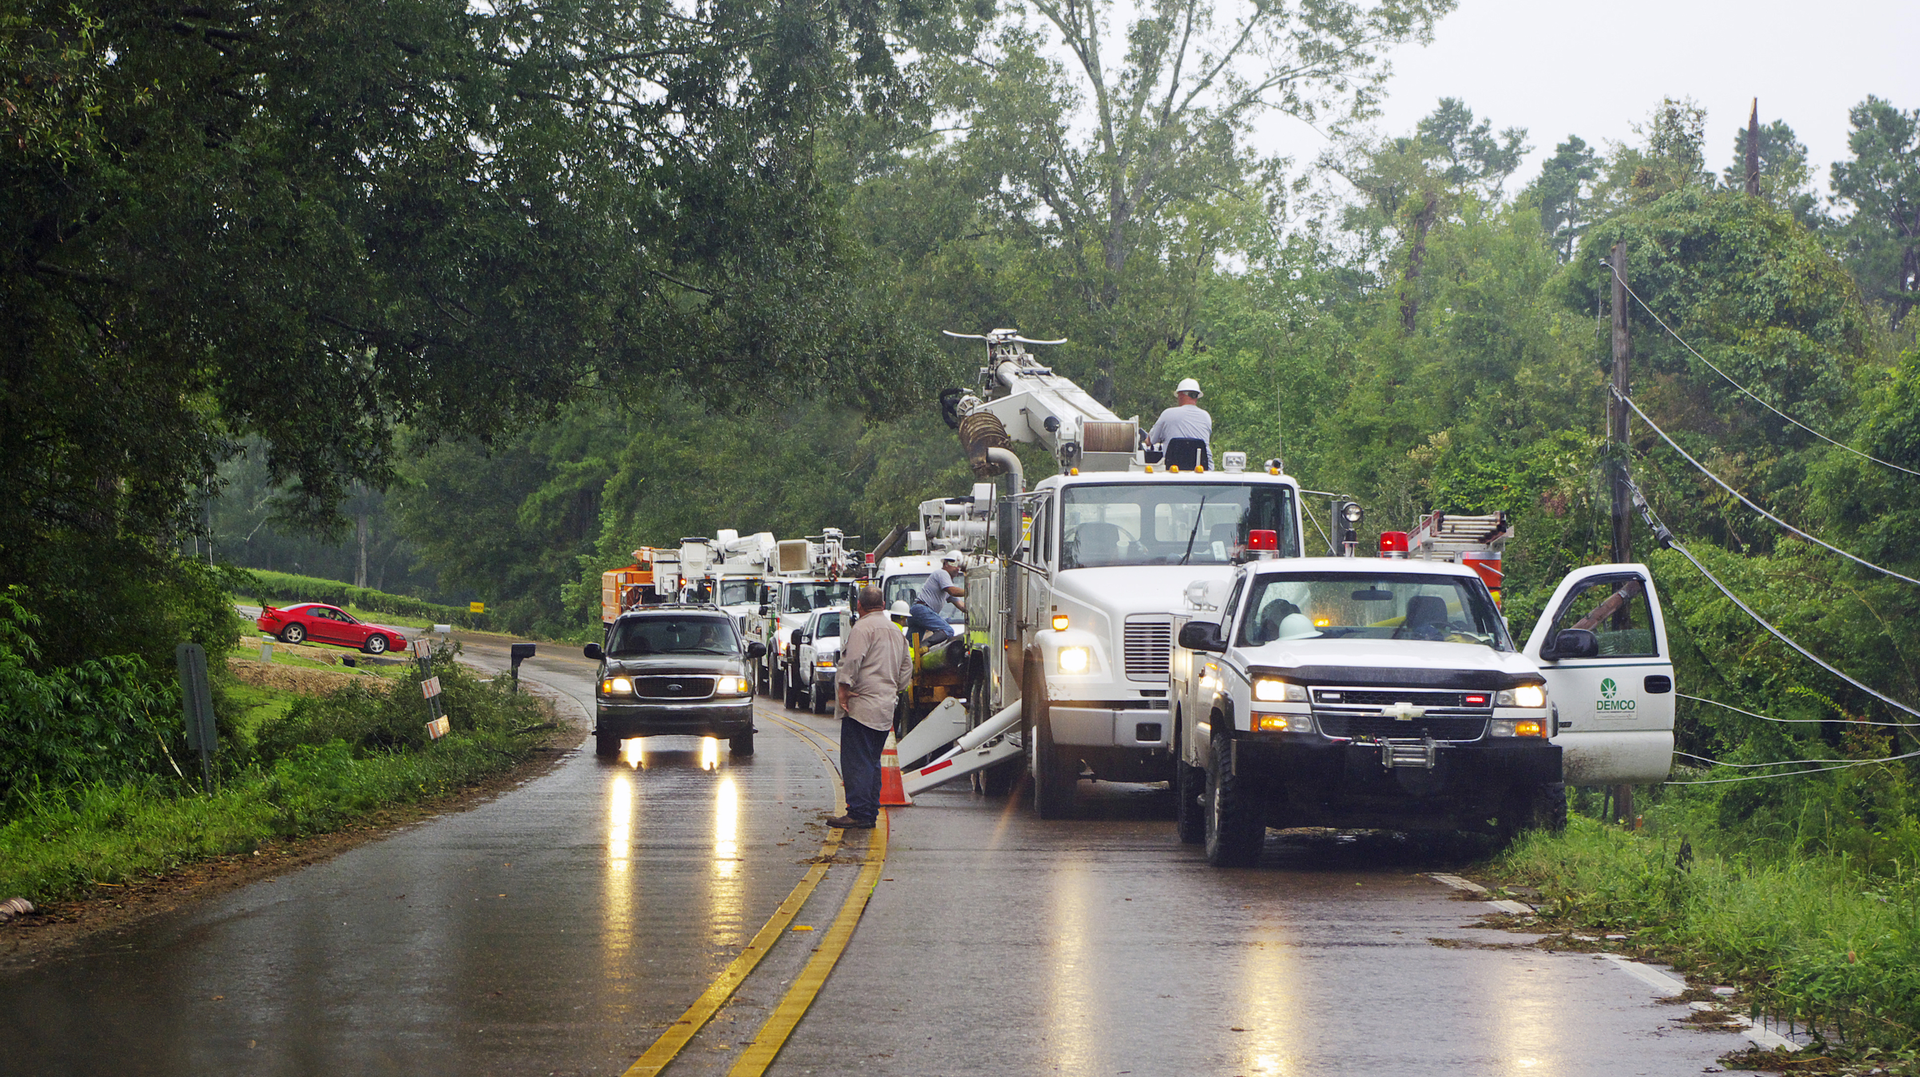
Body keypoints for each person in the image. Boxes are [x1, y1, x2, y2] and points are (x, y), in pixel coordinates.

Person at [828, 586, 911, 830]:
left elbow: (853, 660)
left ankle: (859, 812)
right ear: (883, 605)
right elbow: (906, 668)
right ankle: (869, 811)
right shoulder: (896, 632)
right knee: (872, 761)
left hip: (862, 705)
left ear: (859, 607)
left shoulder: (862, 628)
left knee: (857, 761)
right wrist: (894, 689)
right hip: (885, 706)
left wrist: (844, 688)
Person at [1148, 377, 1212, 468]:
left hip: (1173, 471)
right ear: (1197, 397)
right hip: (1202, 471)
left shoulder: (1167, 414)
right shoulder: (1206, 417)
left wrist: (1147, 439)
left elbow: (1151, 440)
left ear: (1181, 395)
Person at [910, 553, 966, 644]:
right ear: (946, 564)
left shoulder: (947, 585)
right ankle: (924, 647)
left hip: (918, 611)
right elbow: (953, 591)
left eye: (959, 566)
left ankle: (912, 654)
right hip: (922, 609)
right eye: (955, 565)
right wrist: (971, 591)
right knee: (948, 631)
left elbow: (962, 606)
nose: (957, 568)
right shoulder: (942, 573)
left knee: (912, 644)